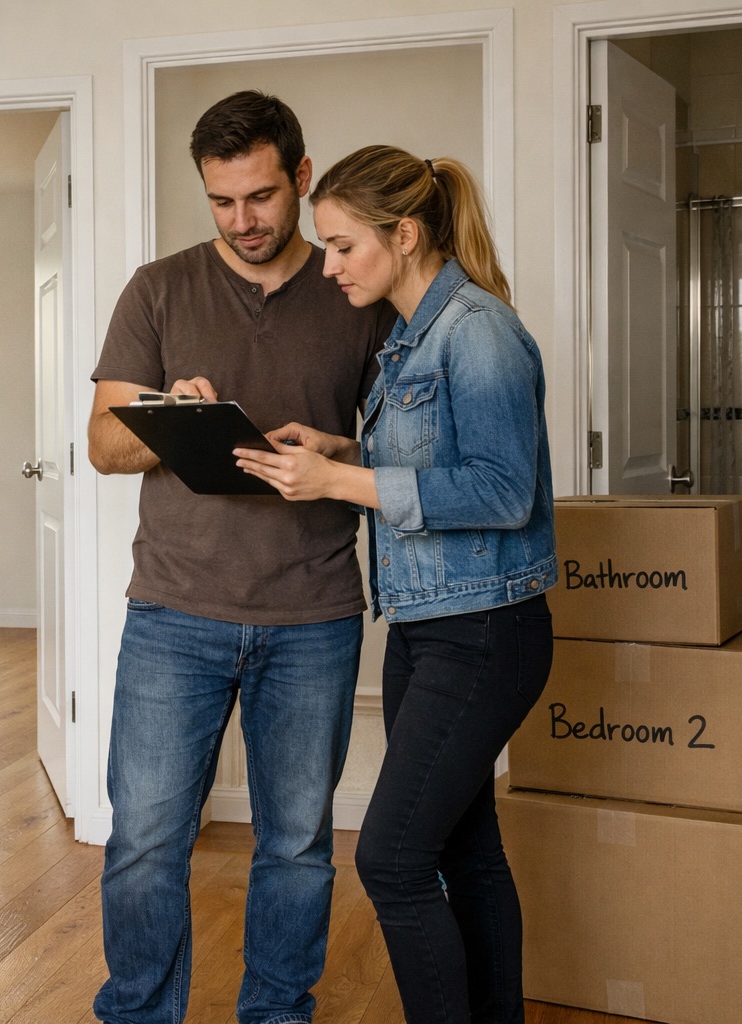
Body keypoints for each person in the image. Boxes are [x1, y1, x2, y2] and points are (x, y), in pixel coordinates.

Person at [88, 91, 395, 1024]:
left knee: (297, 842)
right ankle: (140, 1014)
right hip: (174, 613)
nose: (242, 221)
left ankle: (275, 1014)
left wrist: (337, 452)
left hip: (314, 616)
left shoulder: (357, 291)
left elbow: (406, 453)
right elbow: (103, 445)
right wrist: (167, 424)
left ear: (302, 179)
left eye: (260, 197)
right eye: (221, 201)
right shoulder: (158, 287)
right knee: (143, 839)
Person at [233, 145, 557, 1024]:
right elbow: (438, 460)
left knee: (392, 859)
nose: (328, 265)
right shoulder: (413, 335)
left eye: (342, 247)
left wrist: (340, 485)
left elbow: (501, 489)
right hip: (429, 626)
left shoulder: (477, 331)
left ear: (404, 235)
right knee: (464, 849)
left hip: (484, 631)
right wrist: (349, 452)